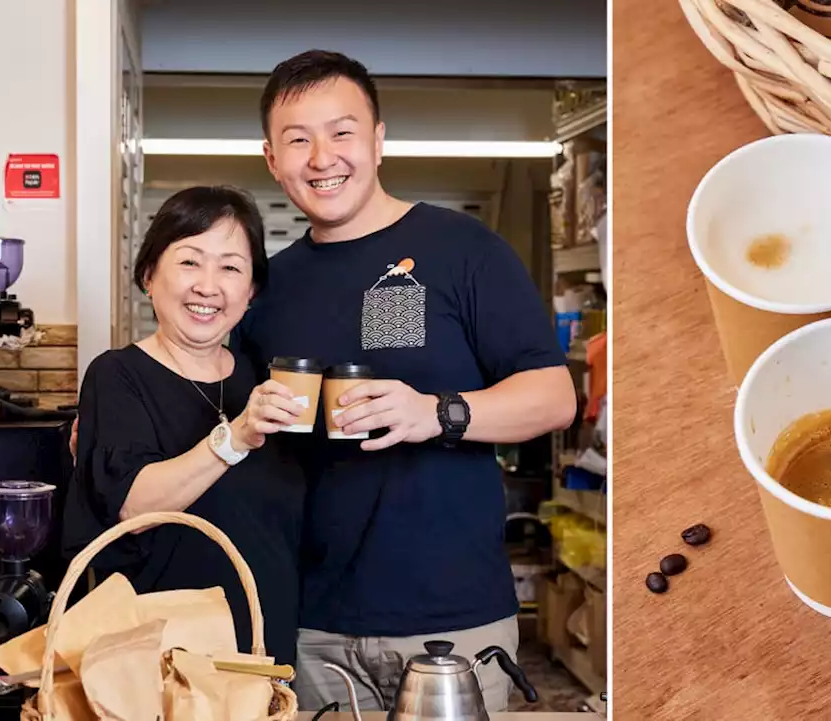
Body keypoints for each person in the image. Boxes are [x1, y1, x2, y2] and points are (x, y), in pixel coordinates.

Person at [231, 50, 577, 712]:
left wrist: (435, 412)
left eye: (341, 132)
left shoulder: (463, 250)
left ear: (378, 140)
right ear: (272, 159)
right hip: (314, 624)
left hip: (452, 617)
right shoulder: (269, 286)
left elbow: (554, 397)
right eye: (297, 139)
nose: (322, 157)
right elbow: (238, 420)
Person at [63, 186, 308, 665]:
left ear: (252, 290)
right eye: (190, 262)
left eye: (231, 267)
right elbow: (134, 506)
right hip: (157, 661)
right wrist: (234, 438)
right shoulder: (116, 376)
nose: (208, 285)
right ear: (149, 275)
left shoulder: (264, 378)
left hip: (265, 647)